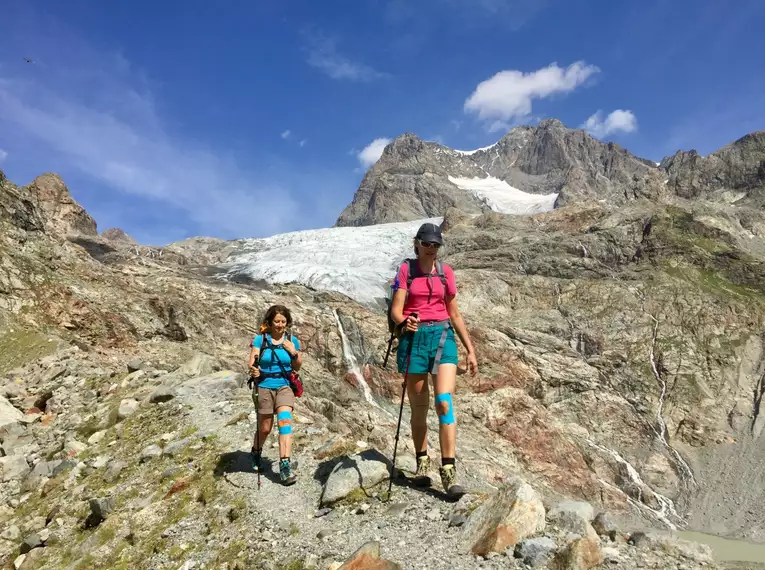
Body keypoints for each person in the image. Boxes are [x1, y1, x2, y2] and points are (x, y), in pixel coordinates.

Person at [389, 222, 478, 498]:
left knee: (444, 401)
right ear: (417, 244)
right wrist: (405, 322)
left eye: (435, 245)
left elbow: (454, 312)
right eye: (427, 244)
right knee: (419, 407)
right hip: (414, 340)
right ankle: (422, 463)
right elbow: (396, 311)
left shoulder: (445, 273)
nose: (431, 249)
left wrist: (470, 349)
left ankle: (449, 471)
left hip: (442, 336)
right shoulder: (407, 270)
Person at [247, 304, 302, 486]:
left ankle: (285, 466)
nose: (280, 325)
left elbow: (297, 366)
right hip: (264, 386)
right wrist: (254, 369)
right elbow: (252, 359)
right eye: (277, 321)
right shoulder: (260, 340)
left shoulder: (292, 340)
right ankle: (256, 451)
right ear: (270, 322)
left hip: (285, 386)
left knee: (285, 422)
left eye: (283, 322)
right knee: (265, 428)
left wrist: (293, 352)